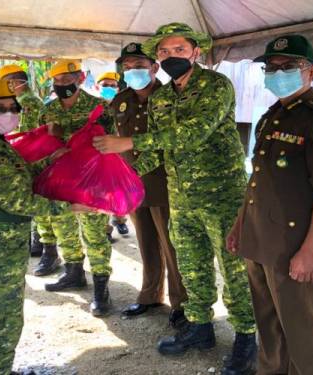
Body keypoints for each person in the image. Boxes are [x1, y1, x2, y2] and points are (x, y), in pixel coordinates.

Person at [93, 22, 257, 375]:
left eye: (178, 50)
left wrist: (132, 143)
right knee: (192, 264)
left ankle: (246, 335)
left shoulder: (216, 86)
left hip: (222, 195)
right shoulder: (163, 97)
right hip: (180, 196)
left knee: (234, 268)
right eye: (164, 52)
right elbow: (163, 146)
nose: (170, 57)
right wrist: (126, 176)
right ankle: (200, 326)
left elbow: (194, 132)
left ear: (196, 52)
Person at [227, 35, 313, 375]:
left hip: (294, 244)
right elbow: (258, 180)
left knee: (301, 329)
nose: (277, 72)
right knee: (268, 326)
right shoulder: (271, 116)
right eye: (272, 67)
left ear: (311, 72)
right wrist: (240, 225)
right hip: (260, 238)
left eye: (289, 67)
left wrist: (311, 250)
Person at [0, 79, 92, 375]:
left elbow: (16, 174)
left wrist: (48, 161)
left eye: (12, 107)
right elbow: (18, 200)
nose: (9, 113)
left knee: (5, 321)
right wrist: (70, 206)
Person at [111, 42, 188, 326]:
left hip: (165, 183)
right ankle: (150, 295)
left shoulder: (171, 98)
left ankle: (181, 302)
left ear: (154, 68)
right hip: (132, 183)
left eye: (139, 66)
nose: (132, 72)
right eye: (127, 67)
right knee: (145, 242)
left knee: (172, 245)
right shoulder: (120, 100)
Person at [40, 60, 116, 317]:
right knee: (65, 228)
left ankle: (101, 289)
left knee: (95, 234)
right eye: (57, 81)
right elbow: (42, 143)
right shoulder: (48, 109)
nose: (62, 85)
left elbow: (110, 145)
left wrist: (72, 148)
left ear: (80, 78)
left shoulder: (99, 107)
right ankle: (73, 272)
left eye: (67, 79)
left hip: (92, 181)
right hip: (61, 180)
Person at [0, 64, 52, 258]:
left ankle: (42, 244)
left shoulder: (27, 101)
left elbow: (25, 135)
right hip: (29, 155)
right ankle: (39, 241)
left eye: (6, 82)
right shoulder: (21, 99)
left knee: (33, 197)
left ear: (14, 82)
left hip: (31, 157)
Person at [95, 71, 131, 240]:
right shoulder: (93, 107)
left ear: (118, 88)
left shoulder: (124, 104)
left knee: (119, 189)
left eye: (112, 85)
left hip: (122, 154)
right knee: (102, 192)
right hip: (100, 155)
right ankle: (105, 228)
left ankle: (120, 219)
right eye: (105, 85)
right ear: (97, 87)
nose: (109, 88)